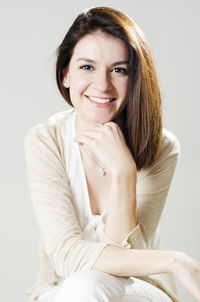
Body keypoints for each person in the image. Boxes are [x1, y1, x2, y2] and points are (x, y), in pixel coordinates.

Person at [24, 6, 200, 302]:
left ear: (135, 80)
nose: (102, 85)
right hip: (60, 291)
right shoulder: (46, 141)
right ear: (66, 74)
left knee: (88, 286)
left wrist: (123, 172)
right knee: (81, 287)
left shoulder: (162, 147)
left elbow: (128, 257)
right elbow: (67, 256)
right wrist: (176, 261)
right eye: (87, 67)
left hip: (137, 290)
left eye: (119, 70)